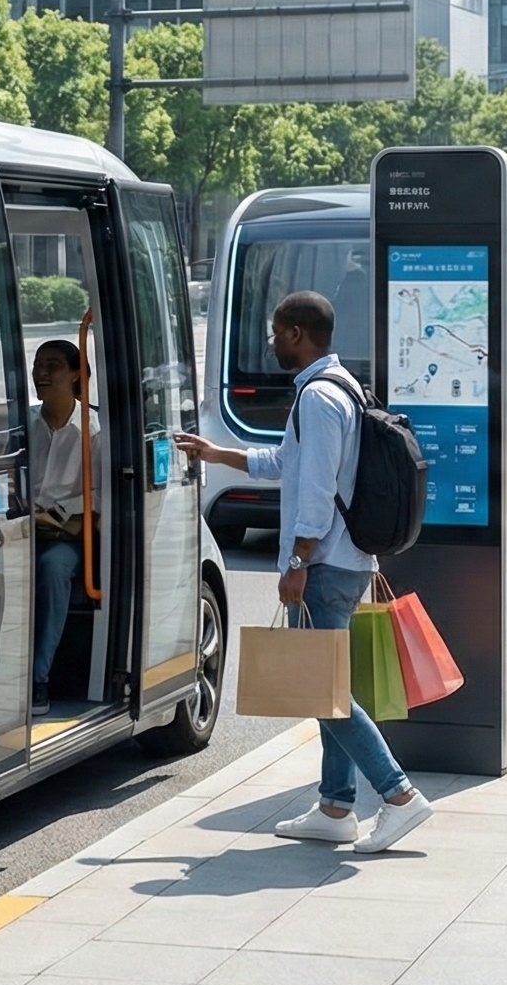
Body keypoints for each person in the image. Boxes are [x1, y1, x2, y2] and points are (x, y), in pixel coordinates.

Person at [178, 291, 434, 854]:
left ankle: (398, 797)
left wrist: (297, 559)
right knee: (328, 683)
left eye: (275, 332)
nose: (271, 341)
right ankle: (336, 806)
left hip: (323, 564)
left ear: (297, 333)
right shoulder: (340, 387)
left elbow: (316, 491)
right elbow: (287, 464)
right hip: (341, 559)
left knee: (325, 693)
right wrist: (216, 453)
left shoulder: (318, 398)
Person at [25, 338, 105, 717]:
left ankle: (38, 678)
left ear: (76, 374)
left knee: (53, 569)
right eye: (38, 364)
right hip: (24, 528)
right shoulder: (26, 427)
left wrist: (59, 513)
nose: (41, 373)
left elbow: (102, 499)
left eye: (52, 365)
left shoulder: (92, 430)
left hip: (68, 535)